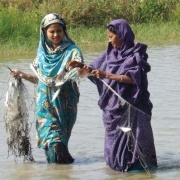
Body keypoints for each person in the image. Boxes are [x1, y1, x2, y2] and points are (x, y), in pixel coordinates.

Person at [69, 19, 157, 172]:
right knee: (116, 156)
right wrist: (81, 66)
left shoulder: (135, 56)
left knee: (138, 153)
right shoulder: (108, 55)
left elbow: (134, 79)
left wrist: (107, 75)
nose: (109, 40)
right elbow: (94, 71)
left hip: (134, 110)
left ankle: (139, 171)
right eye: (108, 37)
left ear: (122, 35)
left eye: (111, 37)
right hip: (113, 112)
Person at [11, 13, 84, 164]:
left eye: (59, 31)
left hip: (65, 106)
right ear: (44, 32)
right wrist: (22, 75)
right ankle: (59, 171)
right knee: (53, 142)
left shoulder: (73, 52)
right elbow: (41, 81)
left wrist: (78, 66)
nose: (56, 34)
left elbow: (81, 75)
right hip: (44, 107)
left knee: (61, 143)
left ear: (64, 31)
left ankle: (60, 170)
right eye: (52, 31)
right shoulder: (41, 56)